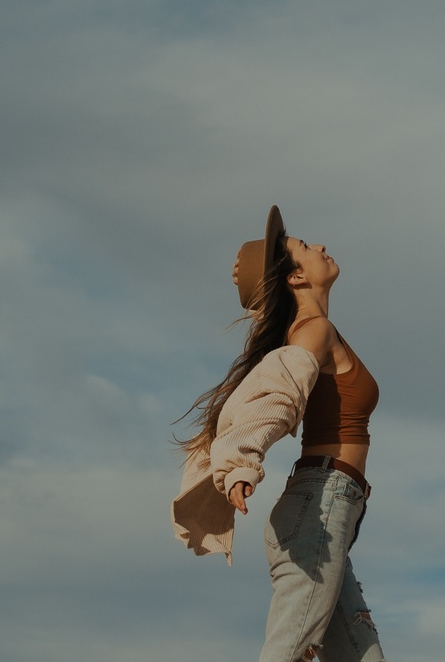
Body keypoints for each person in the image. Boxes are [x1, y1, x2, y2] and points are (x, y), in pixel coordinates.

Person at [172, 205, 386, 662]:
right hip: (319, 506)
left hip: (329, 512)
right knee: (287, 652)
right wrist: (241, 461)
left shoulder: (313, 331)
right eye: (306, 247)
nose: (320, 246)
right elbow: (277, 391)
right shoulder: (313, 332)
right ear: (296, 277)